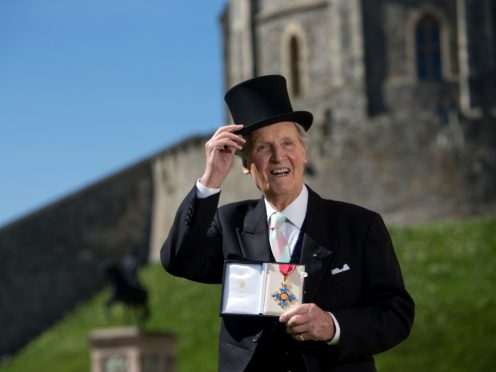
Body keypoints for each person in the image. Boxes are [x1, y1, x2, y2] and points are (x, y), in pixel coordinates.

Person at [161, 75, 414, 371]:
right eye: (263, 148)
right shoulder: (229, 224)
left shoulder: (359, 226)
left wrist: (332, 326)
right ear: (246, 164)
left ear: (304, 153)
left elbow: (396, 314)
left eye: (287, 143)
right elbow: (177, 260)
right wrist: (211, 179)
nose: (279, 156)